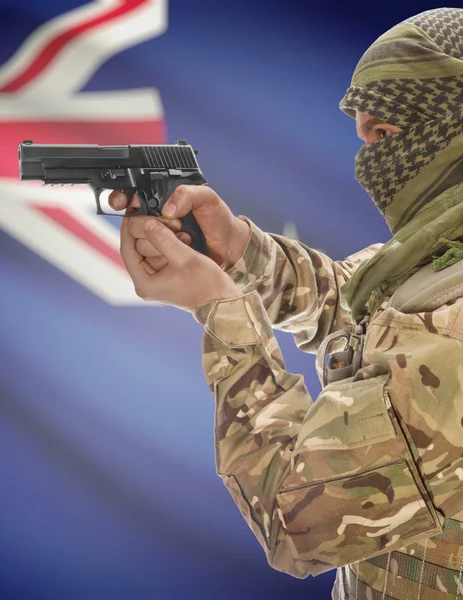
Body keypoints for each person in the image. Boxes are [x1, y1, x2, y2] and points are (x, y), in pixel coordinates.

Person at [109, 7, 463, 599]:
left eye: (386, 135)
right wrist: (241, 251)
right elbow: (360, 307)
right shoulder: (438, 255)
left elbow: (296, 522)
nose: (369, 163)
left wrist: (221, 309)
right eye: (363, 137)